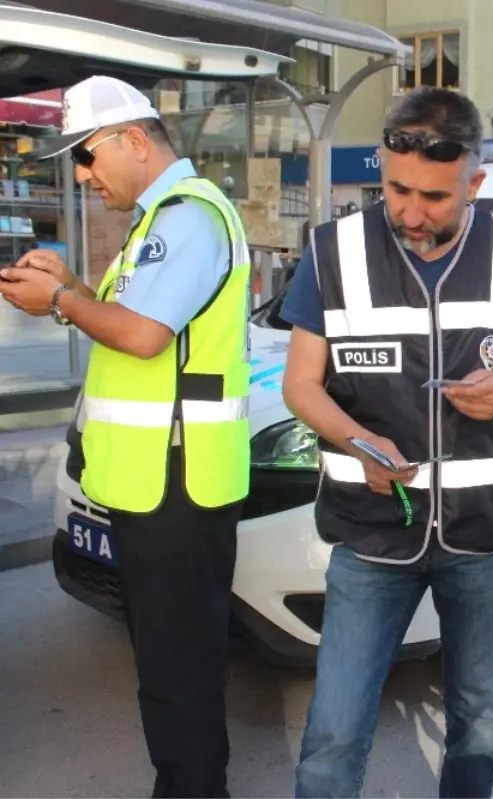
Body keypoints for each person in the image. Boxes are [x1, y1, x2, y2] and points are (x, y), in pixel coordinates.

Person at [283, 87, 493, 799]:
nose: (408, 211)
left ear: (475, 180)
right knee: (335, 728)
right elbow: (301, 385)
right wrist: (357, 437)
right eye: (395, 187)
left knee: (479, 718)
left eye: (434, 197)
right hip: (374, 534)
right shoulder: (333, 251)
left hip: (486, 533)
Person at [0, 76, 250, 798]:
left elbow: (141, 336)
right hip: (157, 483)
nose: (81, 173)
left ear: (133, 140)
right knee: (170, 669)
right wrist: (71, 286)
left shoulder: (188, 217)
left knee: (179, 674)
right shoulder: (160, 221)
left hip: (178, 487)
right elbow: (136, 326)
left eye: (86, 154)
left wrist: (62, 299)